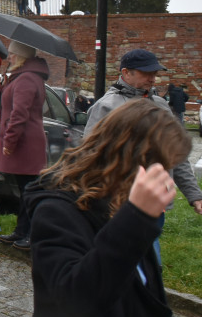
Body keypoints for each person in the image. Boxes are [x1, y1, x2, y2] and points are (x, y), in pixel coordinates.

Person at [1, 99, 187, 317]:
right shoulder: (58, 208)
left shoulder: (121, 208)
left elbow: (135, 305)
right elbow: (76, 299)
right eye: (163, 168)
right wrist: (137, 220)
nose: (169, 186)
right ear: (130, 158)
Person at [85, 49, 202, 216]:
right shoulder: (106, 107)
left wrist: (195, 195)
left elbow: (176, 155)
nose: (153, 79)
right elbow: (90, 156)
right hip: (118, 204)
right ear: (126, 72)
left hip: (156, 203)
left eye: (154, 73)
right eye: (147, 73)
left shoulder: (161, 105)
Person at [0, 41, 49, 251]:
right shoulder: (23, 77)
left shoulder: (27, 78)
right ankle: (22, 230)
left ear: (21, 56)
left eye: (12, 54)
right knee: (25, 189)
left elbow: (20, 114)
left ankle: (32, 234)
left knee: (30, 190)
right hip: (24, 141)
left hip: (26, 143)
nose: (9, 58)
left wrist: (10, 140)